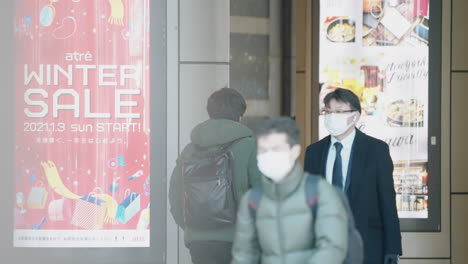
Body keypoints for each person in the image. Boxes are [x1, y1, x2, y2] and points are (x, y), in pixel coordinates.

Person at [304, 88, 402, 264]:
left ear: (355, 116)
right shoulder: (314, 152)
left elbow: (387, 201)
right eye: (328, 111)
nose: (332, 116)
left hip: (367, 245)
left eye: (339, 111)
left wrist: (392, 249)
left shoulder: (376, 150)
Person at [232, 117, 348, 264]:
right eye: (263, 150)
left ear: (294, 151)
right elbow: (244, 255)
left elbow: (332, 248)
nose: (269, 155)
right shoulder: (252, 200)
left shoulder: (319, 192)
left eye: (276, 149)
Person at [169, 88, 262, 264]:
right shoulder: (249, 147)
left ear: (210, 113)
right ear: (240, 116)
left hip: (199, 243)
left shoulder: (189, 150)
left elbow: (175, 195)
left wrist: (192, 227)